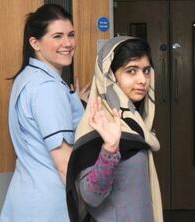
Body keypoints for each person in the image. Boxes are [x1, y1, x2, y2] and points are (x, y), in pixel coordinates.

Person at [0, 4, 90, 221]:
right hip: (49, 204)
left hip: (26, 197)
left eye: (71, 34)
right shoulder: (47, 88)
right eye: (57, 36)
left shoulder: (28, 78)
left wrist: (74, 103)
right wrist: (93, 200)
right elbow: (64, 164)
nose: (67, 43)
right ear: (35, 43)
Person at [66, 36, 163, 222]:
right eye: (131, 71)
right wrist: (109, 149)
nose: (142, 80)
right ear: (109, 77)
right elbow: (91, 196)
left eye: (146, 70)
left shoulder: (138, 124)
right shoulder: (97, 124)